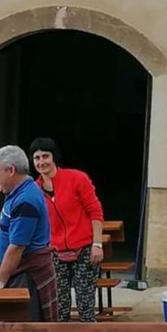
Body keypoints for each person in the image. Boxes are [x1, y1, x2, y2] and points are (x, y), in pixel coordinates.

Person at [30, 137, 105, 322]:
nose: (41, 162)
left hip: (84, 248)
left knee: (85, 304)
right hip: (55, 252)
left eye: (45, 156)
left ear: (54, 157)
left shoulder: (77, 178)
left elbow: (95, 211)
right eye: (37, 158)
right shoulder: (33, 189)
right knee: (59, 306)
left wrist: (97, 244)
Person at [0, 145, 58, 322]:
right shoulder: (17, 193)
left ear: (10, 170)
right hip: (19, 273)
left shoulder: (26, 200)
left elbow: (17, 247)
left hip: (27, 278)